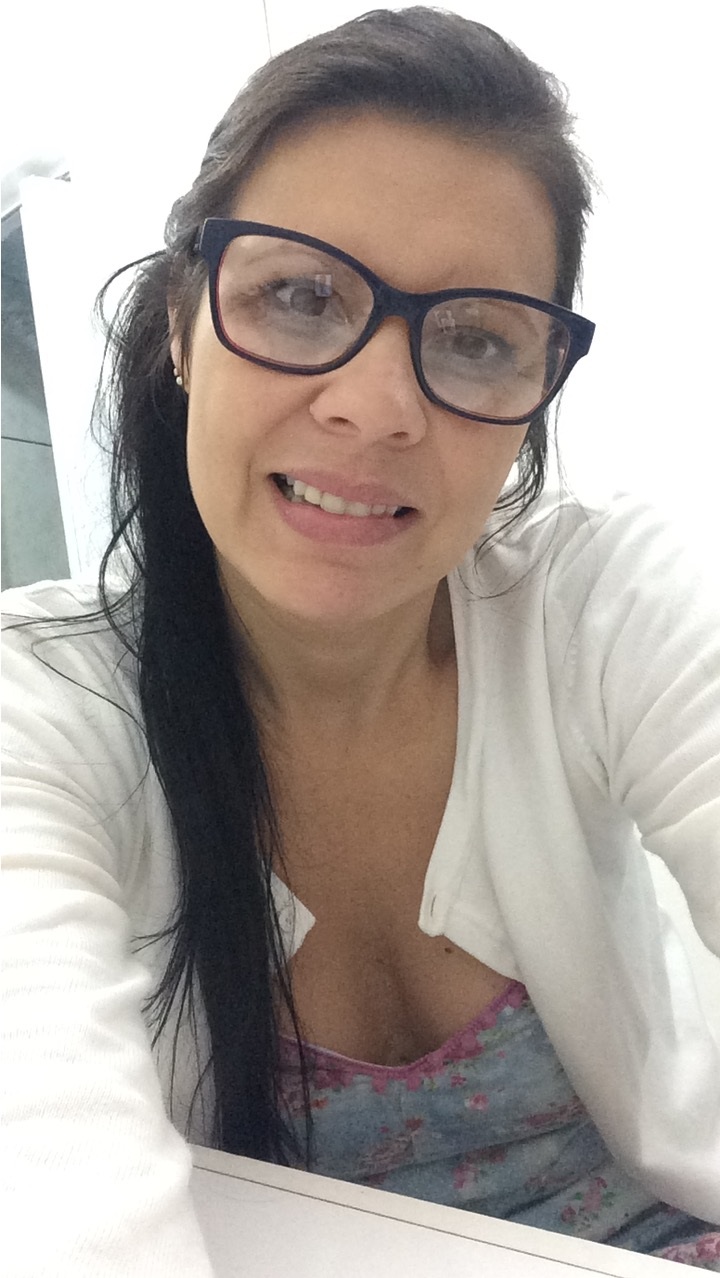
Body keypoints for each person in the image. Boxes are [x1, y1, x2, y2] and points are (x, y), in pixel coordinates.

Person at [2, 8, 719, 1275]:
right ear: (181, 326)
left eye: (477, 337)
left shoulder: (601, 604)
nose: (377, 407)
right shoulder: (40, 710)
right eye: (298, 296)